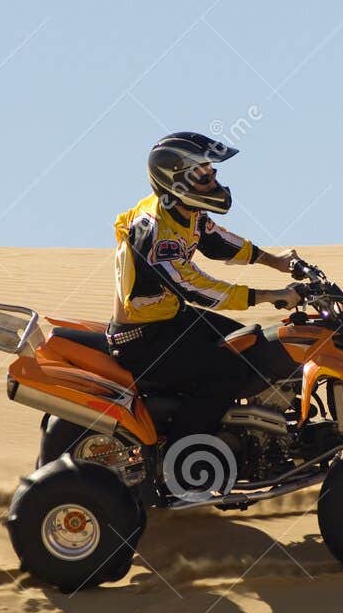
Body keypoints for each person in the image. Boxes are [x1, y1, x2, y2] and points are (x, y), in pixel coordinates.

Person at [109, 131, 303, 443]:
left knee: (252, 345)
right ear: (176, 182)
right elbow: (197, 288)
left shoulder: (186, 211)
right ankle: (184, 454)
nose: (213, 182)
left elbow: (219, 242)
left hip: (171, 321)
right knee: (228, 372)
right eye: (203, 176)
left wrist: (276, 261)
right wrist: (268, 296)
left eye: (213, 173)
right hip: (142, 340)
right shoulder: (155, 230)